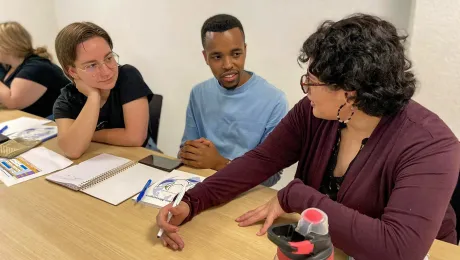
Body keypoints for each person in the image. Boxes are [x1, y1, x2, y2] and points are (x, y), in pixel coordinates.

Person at [156, 14, 460, 259]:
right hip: (321, 248)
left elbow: (399, 249)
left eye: (310, 82)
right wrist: (192, 202)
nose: (304, 88)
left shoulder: (431, 146)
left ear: (349, 94)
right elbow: (262, 159)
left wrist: (297, 195)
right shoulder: (314, 112)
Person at [179, 14, 288, 186]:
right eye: (216, 57)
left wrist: (219, 163)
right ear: (205, 57)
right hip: (201, 185)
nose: (228, 64)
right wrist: (189, 154)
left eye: (236, 54)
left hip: (247, 193)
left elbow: (271, 177)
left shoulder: (275, 100)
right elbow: (185, 152)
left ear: (245, 50)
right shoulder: (198, 93)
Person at [53, 22, 153, 159]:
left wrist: (88, 135)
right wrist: (94, 96)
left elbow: (135, 138)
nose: (106, 72)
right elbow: (72, 150)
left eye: (109, 58)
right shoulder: (67, 98)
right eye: (92, 65)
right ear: (72, 71)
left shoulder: (128, 76)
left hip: (142, 158)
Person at [0, 22, 70, 117]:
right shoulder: (9, 67)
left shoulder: (37, 66)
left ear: (7, 45)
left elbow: (13, 102)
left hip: (62, 122)